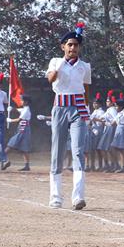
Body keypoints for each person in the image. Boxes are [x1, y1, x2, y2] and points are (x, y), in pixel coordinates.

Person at [45, 22, 92, 210]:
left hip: (79, 107)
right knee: (57, 150)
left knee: (78, 150)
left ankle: (78, 196)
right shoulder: (55, 62)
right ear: (63, 46)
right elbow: (51, 79)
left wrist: (88, 108)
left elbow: (86, 87)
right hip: (60, 107)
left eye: (76, 45)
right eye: (69, 45)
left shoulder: (85, 66)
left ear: (80, 47)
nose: (73, 48)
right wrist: (61, 64)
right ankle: (55, 196)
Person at [6, 95, 33, 170]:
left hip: (23, 129)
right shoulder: (25, 109)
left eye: (22, 100)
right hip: (22, 128)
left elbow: (19, 119)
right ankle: (27, 165)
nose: (21, 101)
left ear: (26, 102)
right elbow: (18, 110)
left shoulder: (26, 110)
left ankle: (1, 158)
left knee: (11, 143)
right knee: (23, 148)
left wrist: (10, 120)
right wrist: (12, 109)